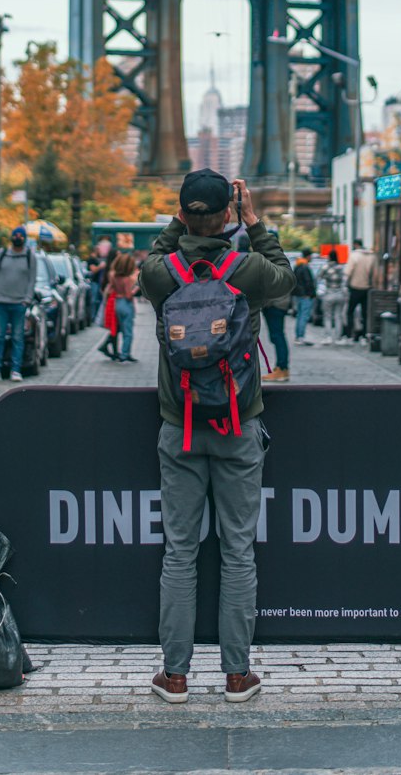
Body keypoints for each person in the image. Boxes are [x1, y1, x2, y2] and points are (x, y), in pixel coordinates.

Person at [140, 172, 294, 706]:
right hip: (237, 426)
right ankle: (237, 677)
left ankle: (175, 678)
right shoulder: (246, 270)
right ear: (227, 215)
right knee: (238, 552)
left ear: (182, 214)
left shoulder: (162, 275)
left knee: (179, 553)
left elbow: (150, 259)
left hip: (178, 428)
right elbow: (286, 275)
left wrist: (177, 221)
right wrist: (252, 220)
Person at [0, 226, 37, 383]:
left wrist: (27, 299)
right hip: (0, 302)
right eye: (16, 235)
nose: (18, 238)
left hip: (19, 304)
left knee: (17, 338)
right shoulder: (2, 255)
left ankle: (16, 370)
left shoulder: (29, 256)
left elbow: (31, 279)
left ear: (24, 239)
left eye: (21, 236)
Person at [343, 238, 377, 343]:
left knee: (350, 312)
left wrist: (346, 284)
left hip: (355, 287)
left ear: (355, 245)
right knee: (365, 313)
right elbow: (375, 273)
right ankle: (364, 335)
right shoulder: (372, 256)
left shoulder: (354, 256)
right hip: (367, 288)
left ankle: (349, 335)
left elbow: (348, 272)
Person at [107, 251, 139, 362]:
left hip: (117, 302)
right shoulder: (127, 279)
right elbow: (129, 295)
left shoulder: (114, 277)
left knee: (120, 328)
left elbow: (110, 289)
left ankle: (124, 353)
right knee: (128, 332)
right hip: (126, 303)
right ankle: (124, 354)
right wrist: (136, 289)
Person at [320, 255, 348, 344]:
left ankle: (328, 337)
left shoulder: (325, 267)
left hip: (329, 293)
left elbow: (319, 278)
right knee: (338, 316)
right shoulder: (341, 268)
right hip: (340, 294)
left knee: (327, 316)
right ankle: (338, 337)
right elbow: (345, 280)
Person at [292, 249, 316, 346]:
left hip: (298, 294)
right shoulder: (305, 267)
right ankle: (301, 337)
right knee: (304, 316)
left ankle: (298, 336)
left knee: (299, 315)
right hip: (305, 295)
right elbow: (308, 282)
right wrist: (311, 293)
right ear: (308, 256)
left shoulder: (297, 266)